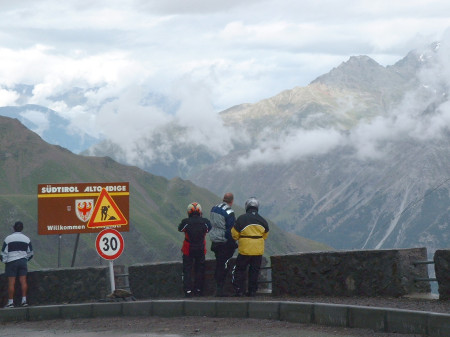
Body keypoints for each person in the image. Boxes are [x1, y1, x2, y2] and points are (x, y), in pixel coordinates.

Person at [231, 197, 269, 297]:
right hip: (258, 250)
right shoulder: (263, 220)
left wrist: (242, 238)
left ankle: (239, 290)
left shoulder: (241, 219)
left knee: (240, 270)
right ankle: (252, 291)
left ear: (247, 206)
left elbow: (234, 234)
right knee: (254, 271)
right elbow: (265, 235)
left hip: (245, 249)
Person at [178, 202, 212, 297]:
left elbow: (180, 229)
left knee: (187, 270)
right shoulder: (205, 222)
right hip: (200, 248)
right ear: (200, 211)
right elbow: (209, 229)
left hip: (188, 248)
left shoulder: (186, 222)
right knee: (200, 269)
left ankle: (188, 291)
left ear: (189, 212)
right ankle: (198, 290)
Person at [209, 192, 237, 297]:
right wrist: (233, 243)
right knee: (223, 265)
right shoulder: (229, 212)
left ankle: (218, 288)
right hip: (223, 242)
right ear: (232, 201)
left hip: (214, 240)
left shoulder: (214, 208)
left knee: (219, 263)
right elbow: (230, 230)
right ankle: (220, 289)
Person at [1, 221, 34, 308]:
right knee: (23, 281)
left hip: (11, 261)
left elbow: (3, 253)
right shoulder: (26, 239)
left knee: (11, 283)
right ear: (22, 228)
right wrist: (25, 259)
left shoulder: (8, 239)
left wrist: (5, 261)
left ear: (14, 228)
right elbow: (30, 253)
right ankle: (24, 301)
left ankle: (11, 302)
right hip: (23, 261)